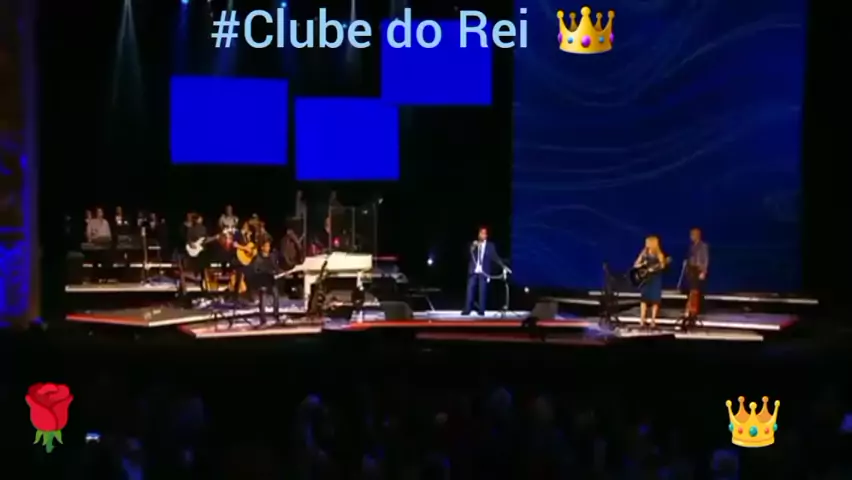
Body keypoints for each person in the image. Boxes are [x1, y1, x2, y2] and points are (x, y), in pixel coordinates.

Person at [463, 227, 509, 316]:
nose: (482, 235)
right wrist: (473, 247)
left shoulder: (490, 246)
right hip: (474, 270)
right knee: (470, 289)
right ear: (478, 234)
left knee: (482, 290)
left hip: (484, 271)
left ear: (486, 235)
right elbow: (468, 253)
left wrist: (503, 266)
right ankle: (467, 309)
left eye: (484, 233)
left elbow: (495, 257)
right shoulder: (474, 244)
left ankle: (481, 310)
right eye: (481, 233)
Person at [633, 235, 667, 328]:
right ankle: (642, 320)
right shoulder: (644, 253)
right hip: (646, 279)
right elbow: (635, 264)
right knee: (644, 299)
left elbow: (663, 265)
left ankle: (653, 320)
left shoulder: (659, 254)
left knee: (655, 300)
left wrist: (654, 269)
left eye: (647, 242)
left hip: (655, 278)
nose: (646, 244)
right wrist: (641, 265)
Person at [248, 238, 281, 325]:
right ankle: (263, 319)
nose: (268, 248)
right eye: (266, 246)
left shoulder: (272, 257)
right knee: (263, 298)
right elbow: (255, 270)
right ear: (262, 247)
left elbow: (276, 268)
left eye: (269, 246)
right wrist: (264, 272)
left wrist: (276, 272)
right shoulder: (257, 258)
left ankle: (276, 314)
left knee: (276, 295)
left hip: (270, 280)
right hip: (262, 281)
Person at [683, 227, 709, 318]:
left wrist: (703, 271)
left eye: (692, 235)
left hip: (698, 269)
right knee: (692, 290)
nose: (691, 237)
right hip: (692, 270)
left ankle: (694, 310)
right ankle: (691, 309)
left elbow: (705, 259)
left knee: (695, 290)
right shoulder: (692, 246)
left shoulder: (703, 246)